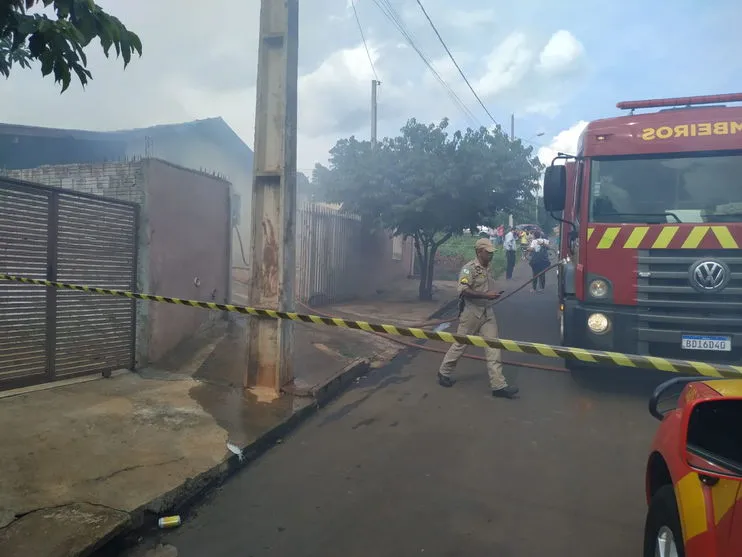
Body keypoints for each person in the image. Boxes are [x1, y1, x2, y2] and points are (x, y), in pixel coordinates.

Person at [438, 237, 519, 399]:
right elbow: (463, 290)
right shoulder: (469, 269)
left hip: (487, 313)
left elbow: (487, 286)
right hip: (471, 313)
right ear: (479, 252)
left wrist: (493, 294)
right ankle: (443, 372)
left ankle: (498, 386)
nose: (491, 255)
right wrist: (485, 295)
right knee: (460, 344)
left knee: (493, 346)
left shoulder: (488, 268)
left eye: (491, 252)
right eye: (487, 252)